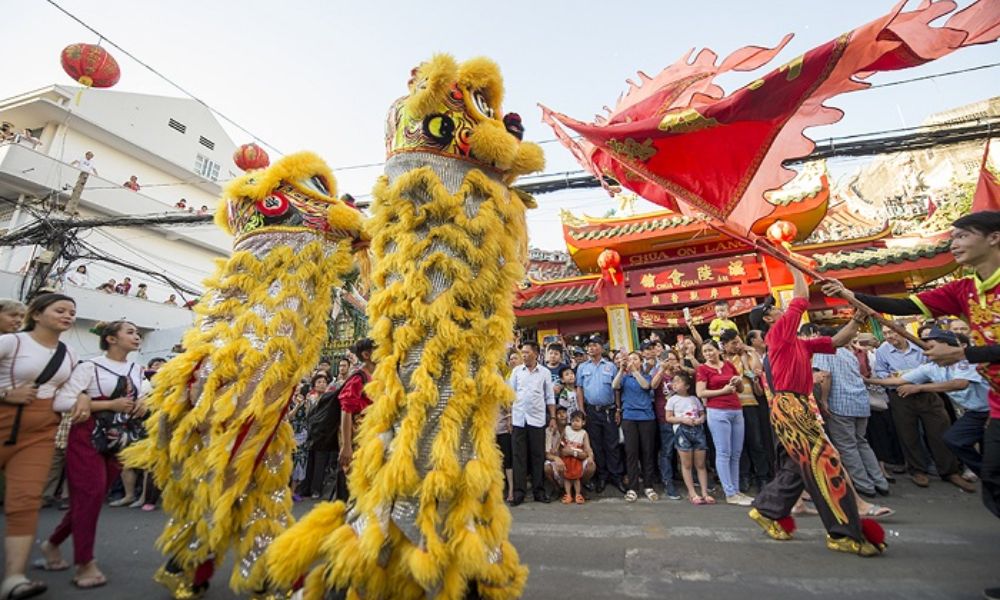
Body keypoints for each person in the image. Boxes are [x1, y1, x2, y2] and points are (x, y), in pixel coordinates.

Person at [822, 211, 1000, 534]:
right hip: (997, 402)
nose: (954, 243)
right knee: (993, 479)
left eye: (962, 235)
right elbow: (905, 306)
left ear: (994, 237)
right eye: (952, 237)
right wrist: (849, 294)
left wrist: (963, 353)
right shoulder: (964, 290)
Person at [747, 263, 884, 557]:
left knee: (799, 466)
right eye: (775, 308)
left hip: (796, 406)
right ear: (770, 318)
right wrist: (793, 267)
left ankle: (767, 509)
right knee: (826, 463)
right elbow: (800, 300)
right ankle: (845, 533)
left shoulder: (798, 343)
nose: (782, 310)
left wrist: (857, 319)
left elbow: (836, 341)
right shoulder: (778, 335)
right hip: (791, 407)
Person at [41, 320, 145, 589]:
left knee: (92, 498)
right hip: (87, 436)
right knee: (90, 495)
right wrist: (108, 403)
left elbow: (145, 393)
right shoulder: (90, 366)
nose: (137, 336)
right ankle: (84, 563)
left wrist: (144, 403)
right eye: (130, 332)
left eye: (137, 333)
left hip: (120, 438)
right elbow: (62, 401)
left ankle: (52, 544)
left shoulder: (137, 368)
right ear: (111, 338)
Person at [0, 293, 79, 600]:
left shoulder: (69, 353)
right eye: (60, 310)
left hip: (40, 432)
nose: (68, 316)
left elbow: (67, 391)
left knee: (26, 499)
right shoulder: (12, 342)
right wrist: (5, 393)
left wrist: (82, 397)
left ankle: (14, 577)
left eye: (72, 312)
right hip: (5, 417)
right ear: (37, 314)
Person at [868, 328, 990, 478]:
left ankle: (970, 472)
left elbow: (959, 383)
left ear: (948, 347)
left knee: (985, 446)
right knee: (954, 439)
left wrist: (919, 387)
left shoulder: (966, 362)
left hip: (992, 410)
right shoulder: (929, 367)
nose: (926, 353)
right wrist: (866, 380)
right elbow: (897, 380)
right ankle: (987, 474)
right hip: (975, 413)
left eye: (931, 348)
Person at [811, 326, 892, 501]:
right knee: (861, 442)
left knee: (847, 446)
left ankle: (864, 485)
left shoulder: (823, 352)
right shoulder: (848, 353)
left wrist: (824, 400)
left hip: (841, 404)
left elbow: (825, 377)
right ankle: (880, 481)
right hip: (860, 402)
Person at [696, 341, 749, 506]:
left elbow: (740, 389)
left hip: (736, 409)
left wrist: (737, 382)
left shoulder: (728, 365)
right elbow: (700, 392)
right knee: (723, 452)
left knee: (736, 452)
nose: (708, 354)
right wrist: (722, 391)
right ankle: (729, 492)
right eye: (705, 351)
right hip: (717, 411)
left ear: (718, 350)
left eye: (710, 350)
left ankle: (736, 489)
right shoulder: (703, 369)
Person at [720, 329, 770, 493]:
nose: (737, 345)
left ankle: (762, 477)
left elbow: (758, 370)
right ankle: (744, 476)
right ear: (725, 345)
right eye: (733, 343)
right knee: (737, 444)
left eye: (738, 341)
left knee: (755, 441)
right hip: (730, 405)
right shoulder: (721, 360)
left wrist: (751, 352)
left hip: (749, 403)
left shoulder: (747, 356)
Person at [508, 340, 555, 505]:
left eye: (527, 352)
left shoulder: (544, 373)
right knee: (518, 456)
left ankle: (539, 491)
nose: (524, 355)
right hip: (519, 419)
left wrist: (553, 417)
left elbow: (549, 396)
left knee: (538, 455)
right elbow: (509, 395)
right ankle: (519, 493)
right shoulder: (516, 372)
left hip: (537, 419)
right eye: (523, 353)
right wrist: (509, 417)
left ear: (535, 353)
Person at [576, 335, 625, 494]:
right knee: (596, 444)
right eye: (589, 345)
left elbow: (616, 389)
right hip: (591, 410)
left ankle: (616, 475)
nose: (591, 348)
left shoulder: (611, 366)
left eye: (595, 345)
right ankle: (601, 476)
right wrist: (582, 409)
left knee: (612, 443)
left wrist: (618, 409)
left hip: (609, 411)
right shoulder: (582, 367)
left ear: (601, 348)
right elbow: (580, 389)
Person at [613, 351, 658, 502]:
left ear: (641, 362)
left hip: (646, 418)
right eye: (630, 359)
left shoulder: (646, 376)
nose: (632, 361)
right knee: (631, 452)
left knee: (647, 452)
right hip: (629, 418)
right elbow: (615, 385)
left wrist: (635, 372)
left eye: (635, 359)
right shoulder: (624, 378)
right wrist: (621, 369)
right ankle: (632, 487)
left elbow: (646, 386)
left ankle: (648, 485)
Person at [665, 372, 714, 505]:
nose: (674, 384)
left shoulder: (694, 399)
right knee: (686, 464)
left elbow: (702, 413)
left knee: (701, 464)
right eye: (673, 382)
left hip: (697, 430)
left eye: (678, 381)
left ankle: (704, 492)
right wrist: (682, 419)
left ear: (687, 385)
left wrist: (699, 420)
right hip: (682, 430)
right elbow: (668, 417)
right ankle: (692, 493)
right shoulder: (672, 400)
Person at [336, 339, 374, 500]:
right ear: (366, 355)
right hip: (356, 438)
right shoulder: (358, 378)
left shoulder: (380, 375)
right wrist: (346, 446)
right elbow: (346, 411)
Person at [650, 349, 683, 499]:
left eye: (673, 359)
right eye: (667, 359)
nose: (670, 362)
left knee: (685, 450)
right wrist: (661, 369)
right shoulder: (660, 373)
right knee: (667, 451)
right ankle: (667, 481)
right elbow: (652, 385)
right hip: (665, 417)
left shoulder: (680, 374)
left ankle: (689, 478)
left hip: (683, 416)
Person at [560, 410, 592, 504]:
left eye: (577, 421)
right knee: (567, 476)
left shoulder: (584, 433)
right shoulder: (567, 429)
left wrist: (590, 456)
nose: (575, 423)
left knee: (576, 477)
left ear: (583, 422)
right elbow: (560, 440)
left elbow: (587, 447)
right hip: (566, 457)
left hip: (577, 458)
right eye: (573, 421)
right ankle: (568, 494)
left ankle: (578, 494)